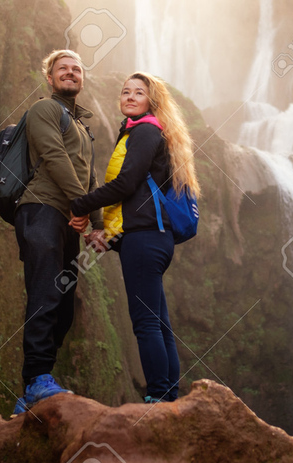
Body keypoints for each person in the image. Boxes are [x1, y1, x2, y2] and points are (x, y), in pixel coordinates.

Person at [70, 72, 201, 403]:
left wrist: (81, 204)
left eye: (138, 93)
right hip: (150, 238)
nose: (129, 96)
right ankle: (168, 396)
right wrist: (109, 237)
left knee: (146, 325)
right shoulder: (147, 132)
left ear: (151, 101)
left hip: (145, 240)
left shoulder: (144, 131)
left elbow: (126, 185)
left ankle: (157, 397)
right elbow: (138, 200)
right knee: (159, 323)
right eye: (126, 92)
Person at [11, 49, 102, 416]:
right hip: (41, 209)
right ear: (49, 78)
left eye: (76, 69)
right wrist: (79, 206)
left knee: (63, 308)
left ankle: (33, 386)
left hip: (68, 219)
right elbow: (53, 156)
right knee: (46, 293)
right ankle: (35, 381)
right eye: (62, 68)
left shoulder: (81, 126)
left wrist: (96, 224)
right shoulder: (44, 110)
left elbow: (88, 177)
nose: (70, 73)